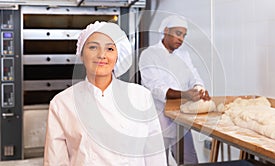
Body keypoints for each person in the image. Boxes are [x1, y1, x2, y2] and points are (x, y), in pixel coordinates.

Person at [44, 21, 167, 166]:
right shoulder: (62, 103)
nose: (102, 55)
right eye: (93, 47)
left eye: (109, 48)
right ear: (81, 55)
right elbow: (55, 161)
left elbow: (154, 153)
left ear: (117, 56)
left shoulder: (141, 96)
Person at [139, 15, 211, 164]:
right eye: (178, 33)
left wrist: (199, 89)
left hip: (181, 121)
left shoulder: (184, 56)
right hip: (159, 121)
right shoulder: (149, 55)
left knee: (190, 161)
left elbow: (194, 76)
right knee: (159, 162)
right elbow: (156, 88)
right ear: (166, 31)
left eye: (184, 35)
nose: (181, 39)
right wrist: (185, 94)